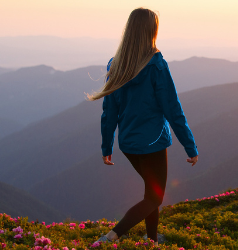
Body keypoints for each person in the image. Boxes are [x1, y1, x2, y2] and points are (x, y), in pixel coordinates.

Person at [89, 7, 198, 245]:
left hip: (128, 143)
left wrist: (106, 145)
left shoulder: (116, 65)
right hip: (153, 142)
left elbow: (109, 112)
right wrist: (190, 146)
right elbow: (173, 110)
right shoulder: (157, 65)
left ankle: (151, 241)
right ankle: (111, 236)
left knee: (151, 193)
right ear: (152, 31)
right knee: (155, 198)